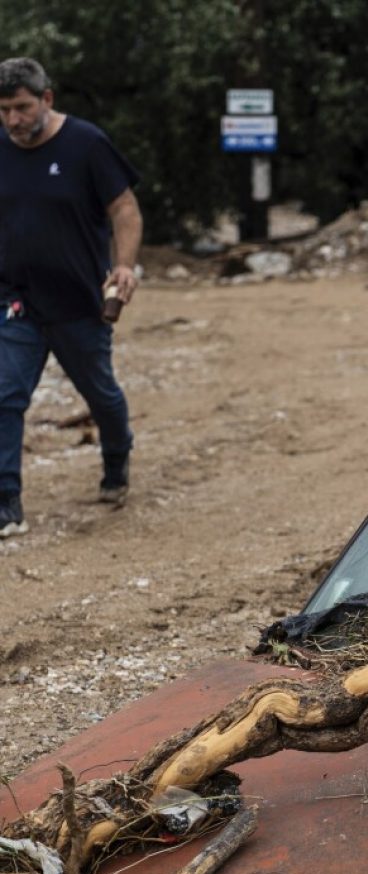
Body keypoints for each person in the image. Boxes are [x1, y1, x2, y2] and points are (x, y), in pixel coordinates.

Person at [0, 57, 142, 537]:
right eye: (3, 110)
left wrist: (123, 265)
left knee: (100, 395)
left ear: (46, 99)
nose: (12, 120)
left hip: (80, 302)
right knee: (4, 396)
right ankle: (6, 502)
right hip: (16, 300)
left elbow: (124, 207)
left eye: (21, 107)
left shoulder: (86, 144)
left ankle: (117, 460)